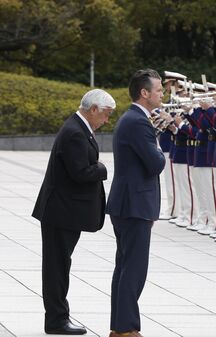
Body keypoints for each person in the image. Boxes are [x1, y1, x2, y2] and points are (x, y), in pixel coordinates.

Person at [32, 89, 115, 335]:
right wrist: (101, 169)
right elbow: (81, 172)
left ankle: (58, 317)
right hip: (61, 212)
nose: (107, 120)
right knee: (57, 267)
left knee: (59, 265)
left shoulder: (78, 128)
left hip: (63, 210)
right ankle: (57, 320)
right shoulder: (75, 133)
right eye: (106, 114)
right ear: (93, 110)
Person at [106, 69, 168, 337]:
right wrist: (158, 145)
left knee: (125, 267)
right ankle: (126, 328)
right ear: (144, 93)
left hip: (128, 204)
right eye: (159, 90)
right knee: (133, 269)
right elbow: (155, 163)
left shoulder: (133, 119)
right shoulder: (138, 122)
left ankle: (120, 326)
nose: (162, 94)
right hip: (134, 205)